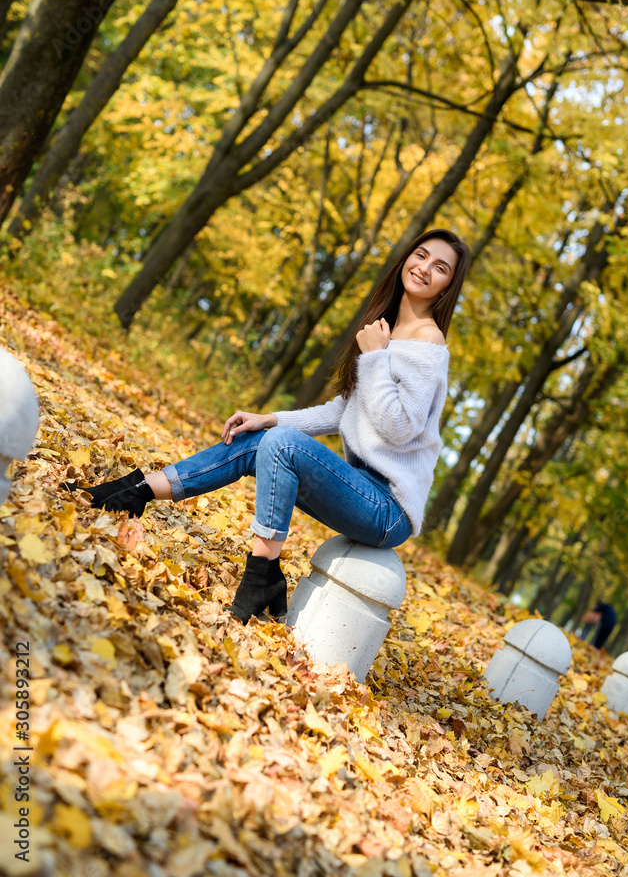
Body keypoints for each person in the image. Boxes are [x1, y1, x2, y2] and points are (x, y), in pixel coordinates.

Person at [63, 228, 470, 624]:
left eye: (441, 267)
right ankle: (135, 492)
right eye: (421, 255)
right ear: (407, 258)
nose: (425, 268)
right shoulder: (386, 330)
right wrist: (268, 418)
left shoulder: (427, 343)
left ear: (446, 287)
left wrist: (376, 358)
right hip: (357, 486)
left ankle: (260, 573)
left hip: (386, 509)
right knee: (261, 438)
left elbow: (399, 427)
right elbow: (342, 412)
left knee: (284, 445)